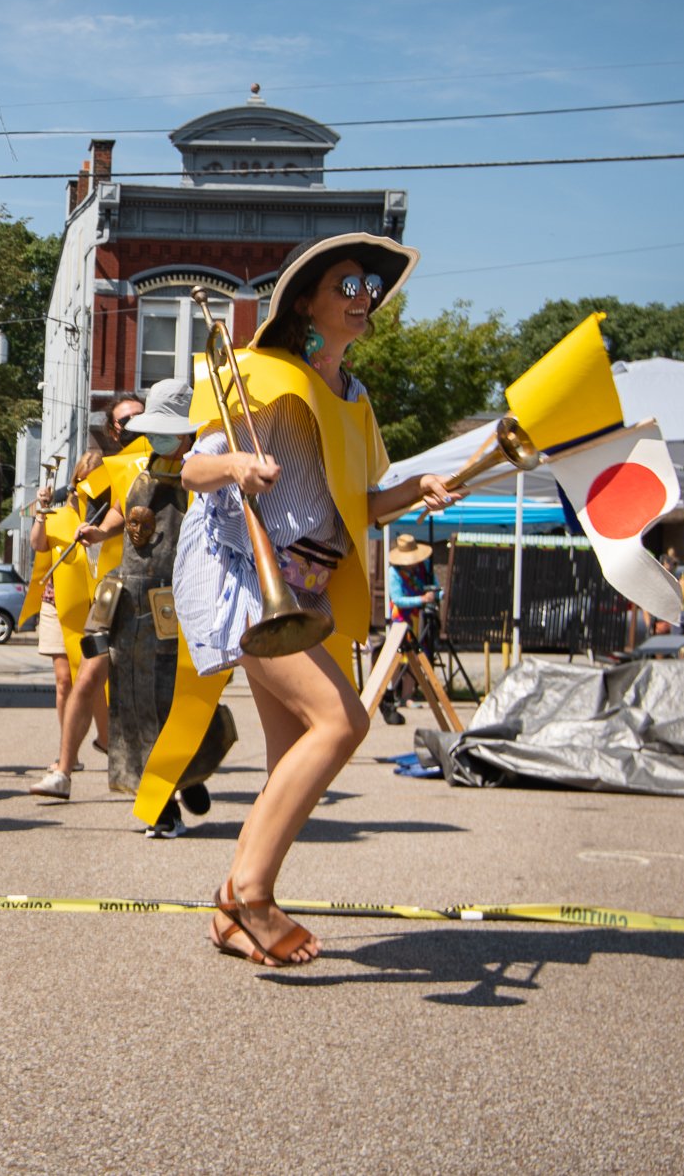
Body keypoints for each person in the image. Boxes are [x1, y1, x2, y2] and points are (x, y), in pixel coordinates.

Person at [167, 233, 456, 968]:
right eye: (349, 284)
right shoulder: (265, 371)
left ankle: (234, 908)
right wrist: (238, 461)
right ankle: (251, 894)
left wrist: (412, 491)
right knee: (342, 720)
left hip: (313, 585)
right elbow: (192, 467)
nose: (364, 298)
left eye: (370, 289)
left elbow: (359, 504)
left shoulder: (352, 396)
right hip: (249, 574)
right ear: (307, 302)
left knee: (293, 751)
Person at [83, 377, 234, 836]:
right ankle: (162, 802)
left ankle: (192, 772)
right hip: (133, 604)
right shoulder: (136, 467)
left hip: (185, 601)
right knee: (135, 705)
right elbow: (120, 511)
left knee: (186, 701)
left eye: (169, 429)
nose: (158, 437)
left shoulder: (205, 471)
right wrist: (99, 532)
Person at [26, 450, 116, 796]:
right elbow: (38, 545)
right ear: (75, 481)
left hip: (99, 604)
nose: (88, 487)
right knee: (66, 679)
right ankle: (70, 755)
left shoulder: (111, 514)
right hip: (57, 603)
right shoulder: (61, 513)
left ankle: (101, 742)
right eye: (82, 480)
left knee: (91, 678)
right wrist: (41, 512)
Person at [380, 533, 442, 725]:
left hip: (418, 618)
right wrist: (421, 599)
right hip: (400, 619)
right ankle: (393, 692)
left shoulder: (424, 569)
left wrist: (434, 594)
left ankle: (409, 694)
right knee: (398, 658)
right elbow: (397, 599)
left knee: (416, 656)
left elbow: (437, 588)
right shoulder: (394, 573)